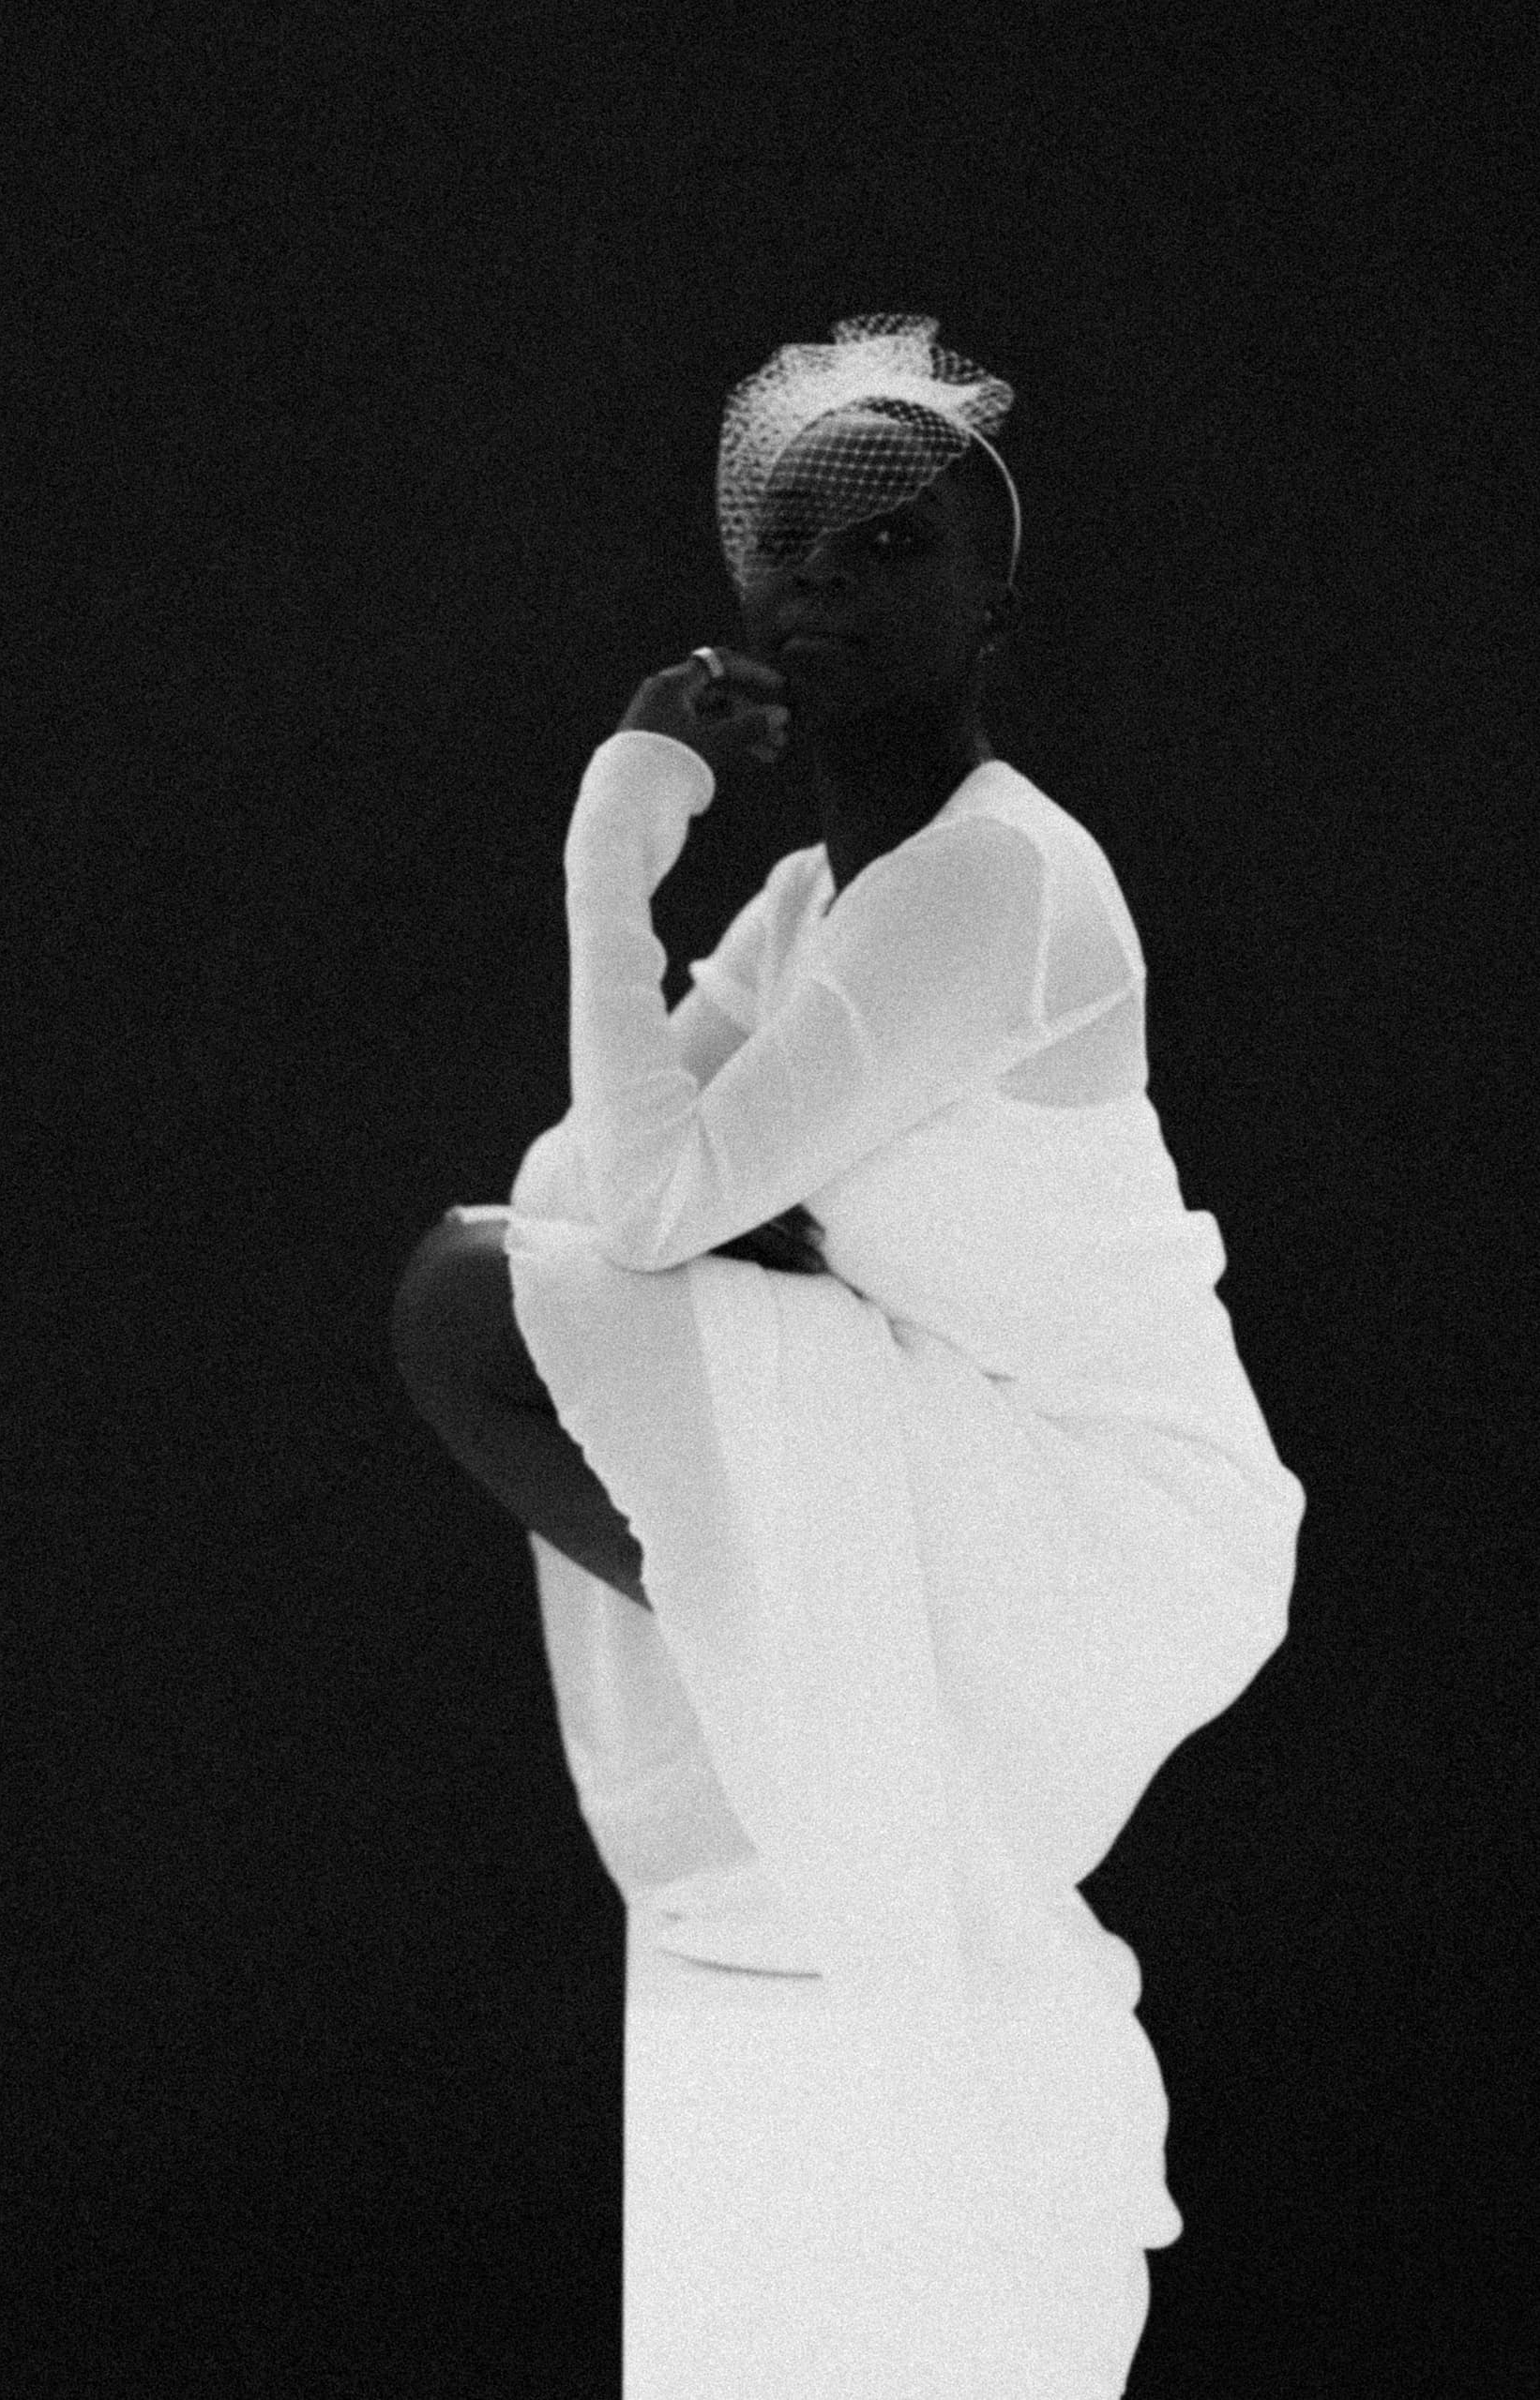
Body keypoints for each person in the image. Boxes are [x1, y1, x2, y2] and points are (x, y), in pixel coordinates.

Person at [391, 317, 1306, 2398]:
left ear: (994, 607)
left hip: (1111, 1515)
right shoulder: (812, 891)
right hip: (948, 1448)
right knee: (478, 1277)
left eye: (889, 545)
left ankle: (800, 1667)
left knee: (475, 1298)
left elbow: (627, 1224)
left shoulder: (992, 879)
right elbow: (592, 1176)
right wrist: (697, 1161)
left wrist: (604, 848)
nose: (823, 580)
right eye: (789, 547)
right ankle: (799, 1666)